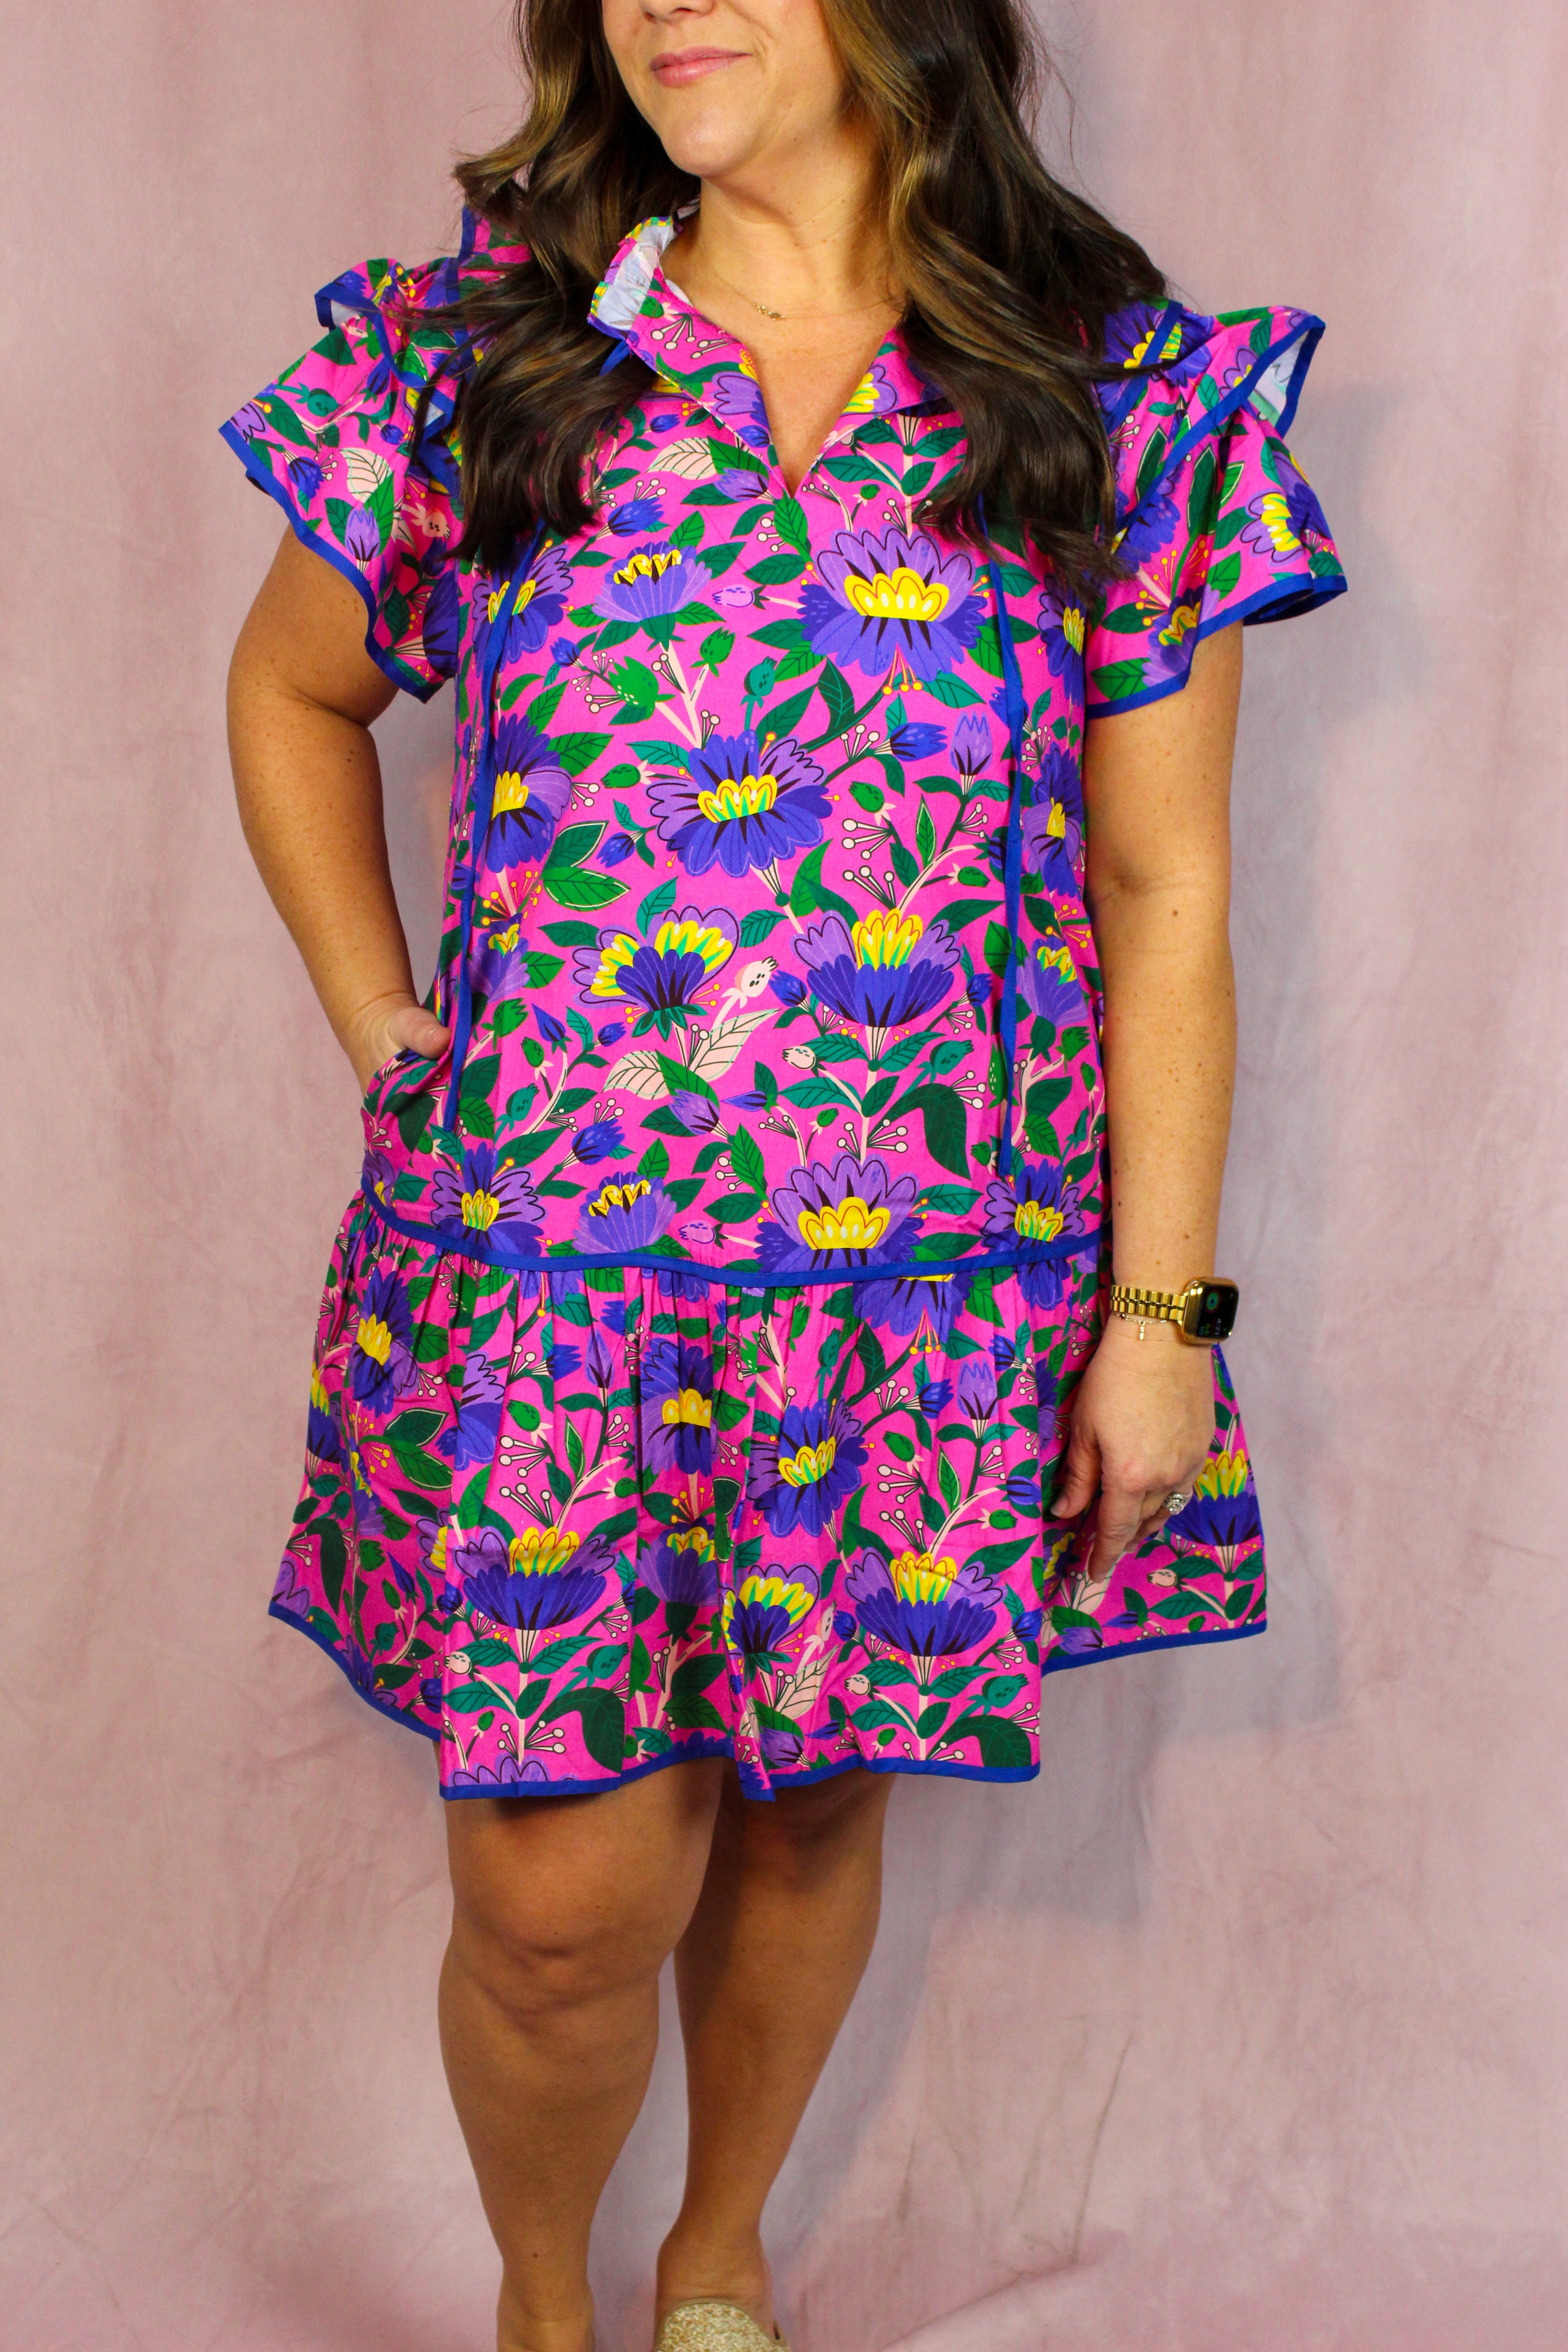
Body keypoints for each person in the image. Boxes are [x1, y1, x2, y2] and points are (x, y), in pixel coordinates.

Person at [223, 2, 1344, 2345]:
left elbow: (1165, 894)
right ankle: (548, 2306)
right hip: (552, 1288)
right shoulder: (488, 357)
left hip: (930, 1298)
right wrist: (384, 1024)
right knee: (556, 1910)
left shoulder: (1103, 394)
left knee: (817, 1808)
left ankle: (717, 2258)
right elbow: (293, 687)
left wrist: (1160, 1325)